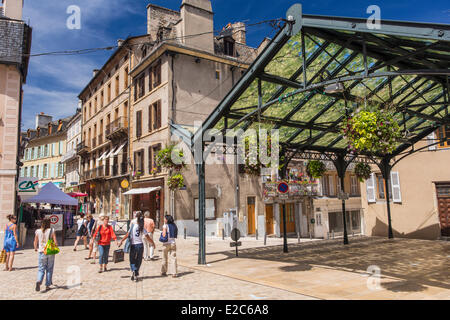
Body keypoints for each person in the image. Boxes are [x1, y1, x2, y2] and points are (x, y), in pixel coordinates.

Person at [119, 212, 154, 282]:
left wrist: (121, 240)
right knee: (139, 260)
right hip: (140, 245)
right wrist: (153, 243)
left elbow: (127, 234)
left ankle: (134, 270)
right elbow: (147, 237)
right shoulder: (142, 227)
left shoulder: (133, 226)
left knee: (132, 259)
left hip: (133, 245)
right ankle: (136, 271)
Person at [34, 218, 57, 292]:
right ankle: (47, 285)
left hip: (41, 251)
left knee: (41, 268)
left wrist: (35, 248)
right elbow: (55, 242)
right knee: (49, 268)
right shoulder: (52, 230)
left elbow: (35, 241)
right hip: (50, 252)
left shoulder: (37, 231)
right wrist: (55, 246)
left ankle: (39, 280)